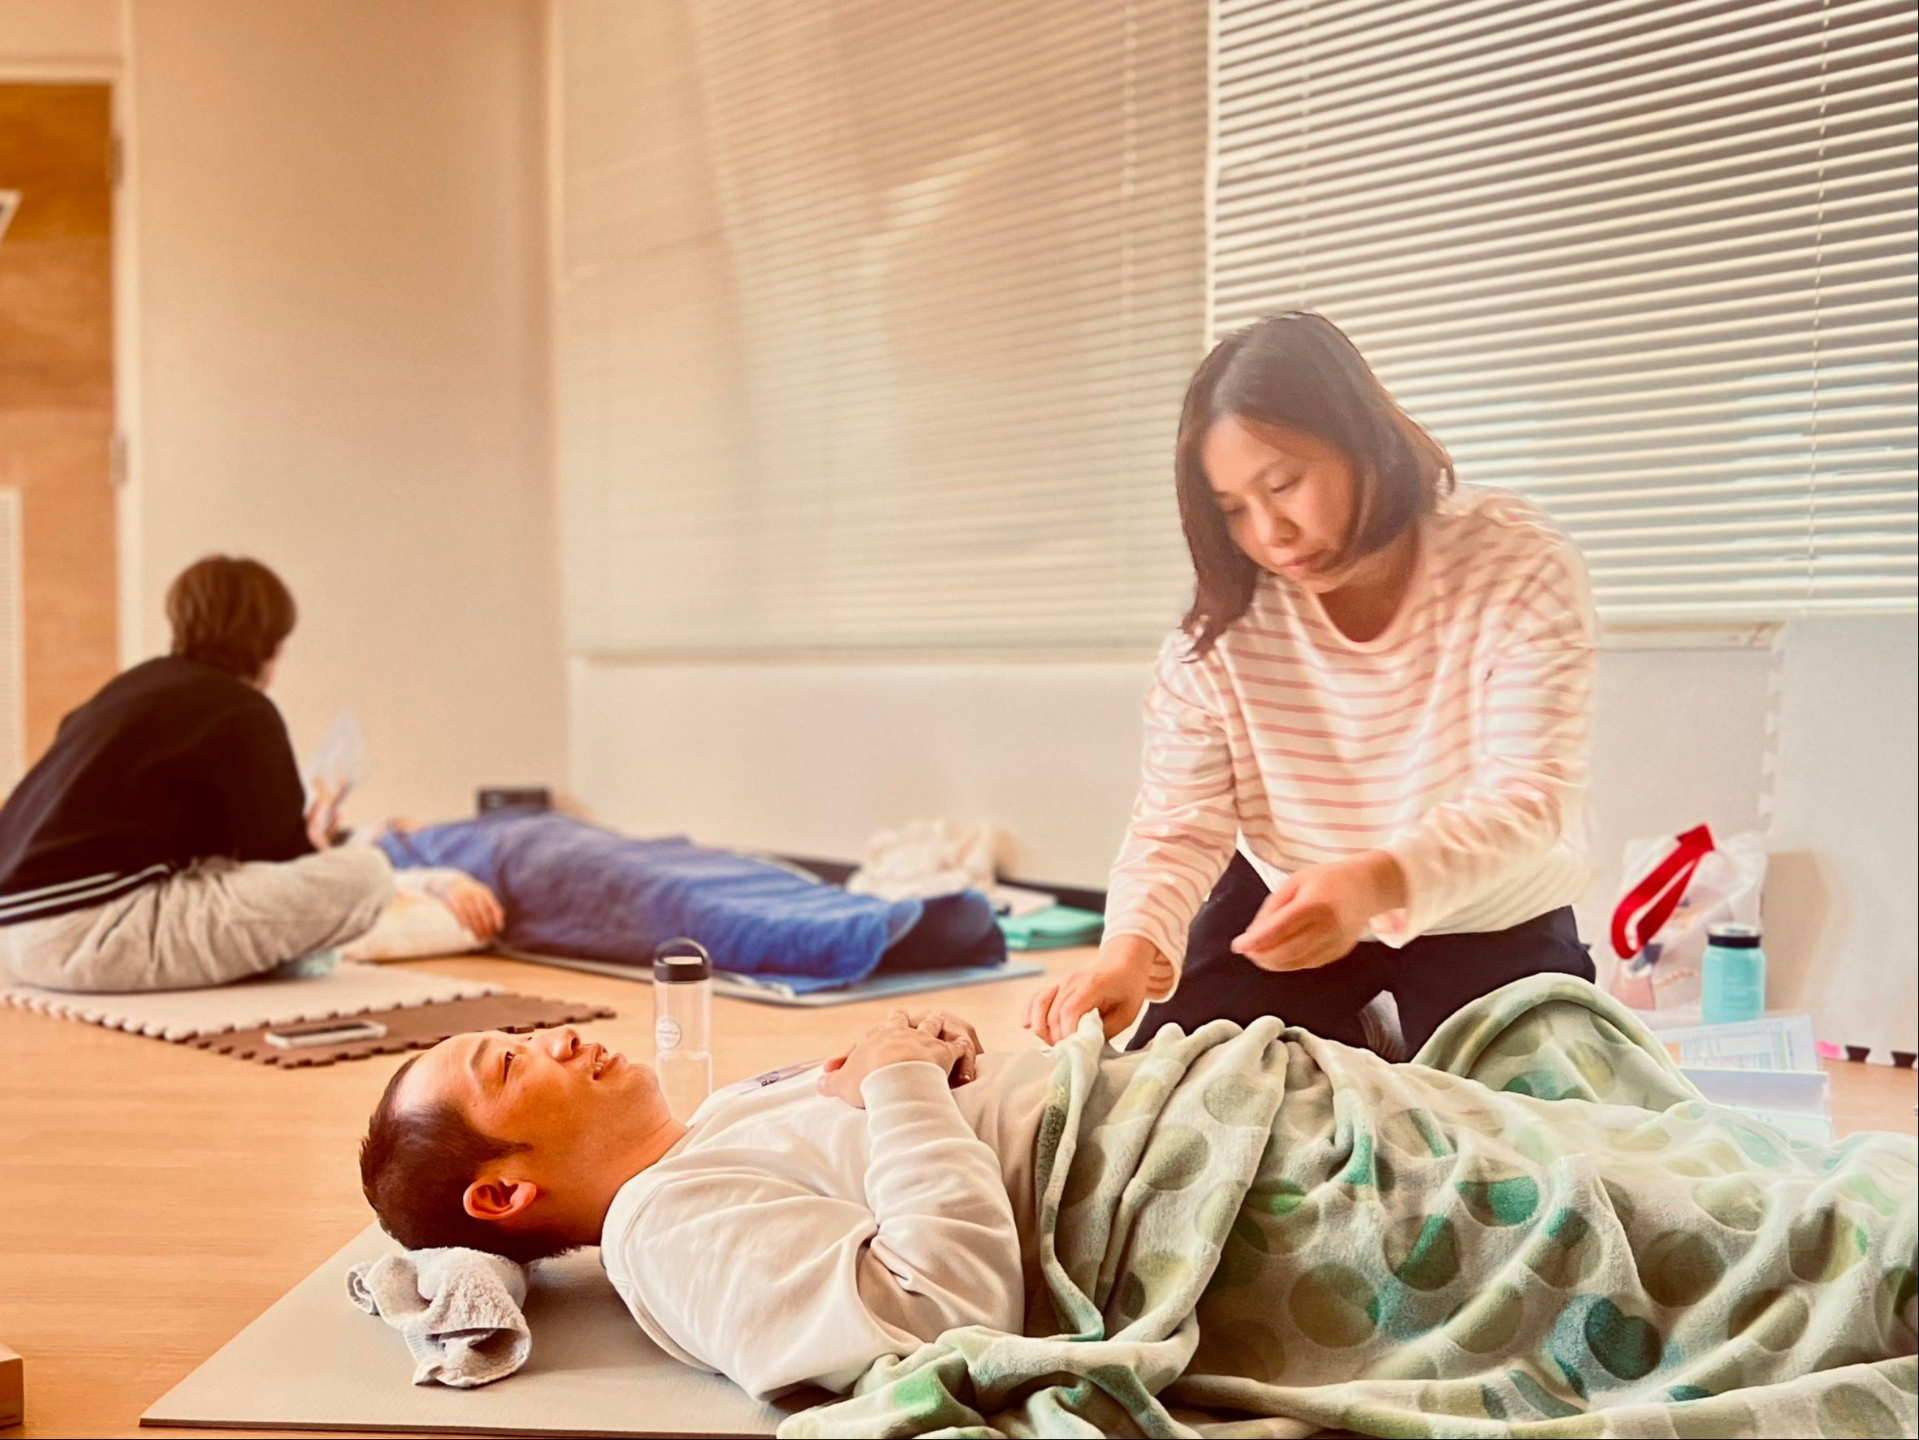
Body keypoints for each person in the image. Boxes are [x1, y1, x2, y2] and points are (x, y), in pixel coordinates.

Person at [357, 1000, 1918, 1422]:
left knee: (1653, 1163)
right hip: (1211, 1186)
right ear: (505, 1188)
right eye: (508, 1062)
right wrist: (898, 1082)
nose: (552, 1037)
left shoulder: (715, 1130)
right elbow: (933, 1306)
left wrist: (930, 1061)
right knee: (1661, 1226)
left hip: (1222, 1110)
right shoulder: (661, 1230)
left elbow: (913, 1137)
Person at [1026, 311, 1598, 1057]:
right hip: (1287, 901)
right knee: (1176, 1082)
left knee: (1526, 1109)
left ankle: (1372, 1036)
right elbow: (1180, 822)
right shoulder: (1225, 624)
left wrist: (1373, 883)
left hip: (1487, 905)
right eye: (1234, 510)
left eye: (1284, 484)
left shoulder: (1514, 561)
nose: (1271, 534)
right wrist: (1128, 951)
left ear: (1364, 441)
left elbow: (1528, 794)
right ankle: (1350, 1031)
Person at [0, 555, 392, 991]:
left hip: (11, 937)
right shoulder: (245, 710)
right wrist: (314, 842)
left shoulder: (128, 689)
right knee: (369, 875)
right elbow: (279, 860)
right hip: (89, 936)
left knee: (213, 872)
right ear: (267, 644)